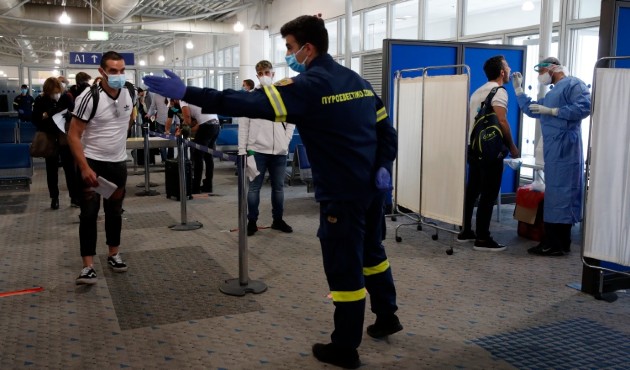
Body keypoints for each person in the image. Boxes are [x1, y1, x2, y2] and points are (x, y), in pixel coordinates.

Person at [144, 15, 400, 369]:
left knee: (345, 269)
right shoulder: (357, 81)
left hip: (342, 194)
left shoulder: (310, 87)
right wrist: (384, 165)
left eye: (291, 48)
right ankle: (387, 315)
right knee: (374, 253)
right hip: (373, 189)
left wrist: (189, 93)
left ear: (307, 48)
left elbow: (245, 102)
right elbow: (388, 132)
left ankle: (345, 347)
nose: (289, 56)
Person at [67, 51, 136, 285]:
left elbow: (127, 120)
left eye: (122, 70)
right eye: (113, 71)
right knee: (88, 214)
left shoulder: (130, 92)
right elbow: (73, 135)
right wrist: (84, 167)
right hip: (92, 163)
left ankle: (113, 254)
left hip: (118, 164)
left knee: (115, 212)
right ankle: (87, 266)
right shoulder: (89, 97)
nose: (118, 75)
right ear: (102, 72)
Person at [512, 57, 591, 256]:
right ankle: (558, 242)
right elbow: (535, 110)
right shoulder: (553, 92)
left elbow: (585, 107)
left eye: (541, 72)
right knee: (556, 195)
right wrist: (519, 91)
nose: (540, 77)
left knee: (562, 195)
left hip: (566, 148)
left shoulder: (574, 84)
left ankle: (555, 243)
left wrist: (555, 111)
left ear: (552, 68)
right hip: (555, 149)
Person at [458, 55, 520, 251]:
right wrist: (512, 146)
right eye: (507, 67)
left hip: (473, 147)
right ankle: (483, 238)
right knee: (489, 193)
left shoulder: (478, 92)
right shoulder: (499, 92)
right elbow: (502, 122)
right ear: (502, 72)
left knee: (472, 191)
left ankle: (466, 231)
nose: (509, 70)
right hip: (490, 151)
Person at [239, 60, 296, 236]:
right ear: (257, 76)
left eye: (267, 72)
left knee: (278, 188)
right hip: (257, 151)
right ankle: (252, 222)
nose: (264, 76)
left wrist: (285, 143)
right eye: (261, 73)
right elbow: (244, 126)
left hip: (279, 151)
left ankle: (277, 220)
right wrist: (243, 151)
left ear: (273, 74)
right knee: (254, 188)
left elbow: (291, 120)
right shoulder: (250, 97)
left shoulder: (281, 96)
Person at [31, 77, 79, 209]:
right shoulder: (40, 100)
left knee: (70, 169)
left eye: (57, 91)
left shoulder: (66, 98)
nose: (55, 94)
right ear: (47, 91)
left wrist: (69, 115)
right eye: (52, 92)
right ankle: (54, 197)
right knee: (51, 170)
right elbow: (35, 119)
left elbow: (75, 114)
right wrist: (47, 116)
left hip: (64, 137)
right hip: (50, 138)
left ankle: (74, 197)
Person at [180, 101, 220, 194]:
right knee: (208, 156)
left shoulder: (182, 100)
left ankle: (196, 187)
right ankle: (208, 185)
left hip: (207, 126)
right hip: (216, 125)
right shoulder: (194, 97)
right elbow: (197, 122)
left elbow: (188, 119)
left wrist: (182, 130)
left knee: (197, 156)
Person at [147, 92, 172, 161]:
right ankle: (164, 160)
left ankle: (171, 160)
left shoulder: (172, 94)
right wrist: (149, 114)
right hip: (159, 122)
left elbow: (176, 108)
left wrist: (178, 122)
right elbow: (152, 106)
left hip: (171, 122)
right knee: (161, 142)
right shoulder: (156, 95)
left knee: (171, 142)